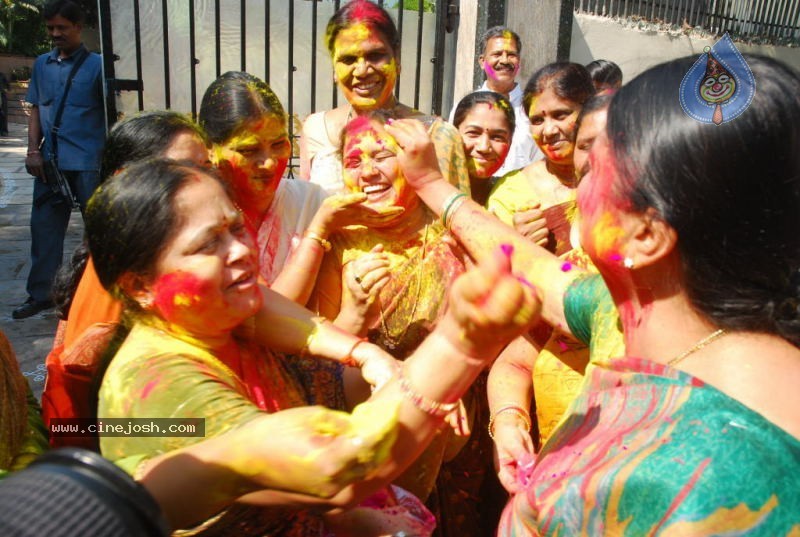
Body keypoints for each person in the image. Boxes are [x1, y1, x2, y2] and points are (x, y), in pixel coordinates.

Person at [385, 52, 800, 534]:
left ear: (645, 235)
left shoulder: (712, 477)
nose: (572, 194)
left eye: (593, 171)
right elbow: (533, 268)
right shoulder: (632, 309)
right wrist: (433, 184)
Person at [85, 158, 538, 535]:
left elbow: (281, 330)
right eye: (207, 244)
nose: (240, 250)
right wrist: (462, 340)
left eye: (235, 227)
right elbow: (335, 466)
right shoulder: (158, 386)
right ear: (140, 286)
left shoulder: (227, 321)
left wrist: (373, 359)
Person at [313, 112, 503, 536]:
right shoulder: (340, 241)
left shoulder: (452, 236)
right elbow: (319, 351)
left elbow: (499, 318)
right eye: (353, 160)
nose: (368, 172)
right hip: (368, 426)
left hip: (452, 426)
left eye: (383, 156)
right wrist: (355, 314)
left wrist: (447, 380)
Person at [41, 110, 212, 447]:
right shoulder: (122, 281)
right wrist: (208, 430)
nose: (206, 185)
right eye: (182, 173)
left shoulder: (150, 254)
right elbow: (82, 428)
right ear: (126, 181)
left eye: (207, 169)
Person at [298, 0, 469, 195]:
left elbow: (457, 222)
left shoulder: (435, 134)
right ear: (334, 69)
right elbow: (306, 211)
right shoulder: (317, 129)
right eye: (348, 59)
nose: (362, 71)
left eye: (375, 55)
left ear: (396, 58)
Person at [14, 0, 105, 319]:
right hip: (50, 161)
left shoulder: (99, 66)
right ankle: (41, 294)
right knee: (44, 228)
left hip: (88, 161)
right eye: (51, 28)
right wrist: (32, 150)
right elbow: (36, 107)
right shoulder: (41, 64)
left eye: (61, 28)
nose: (55, 33)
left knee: (97, 230)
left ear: (78, 28)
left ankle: (94, 295)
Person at [488, 62, 595, 255]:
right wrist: (514, 248)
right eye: (537, 120)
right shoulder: (511, 192)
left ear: (589, 110)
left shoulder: (622, 180)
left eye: (561, 115)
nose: (549, 131)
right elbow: (491, 271)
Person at [450, 26, 540, 177]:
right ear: (482, 61)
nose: (504, 60)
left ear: (519, 61)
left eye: (511, 55)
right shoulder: (466, 107)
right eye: (497, 54)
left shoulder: (534, 108)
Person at [451, 90, 514, 206]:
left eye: (497, 137)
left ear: (510, 143)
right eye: (473, 133)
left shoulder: (513, 198)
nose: (484, 147)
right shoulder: (427, 189)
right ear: (453, 133)